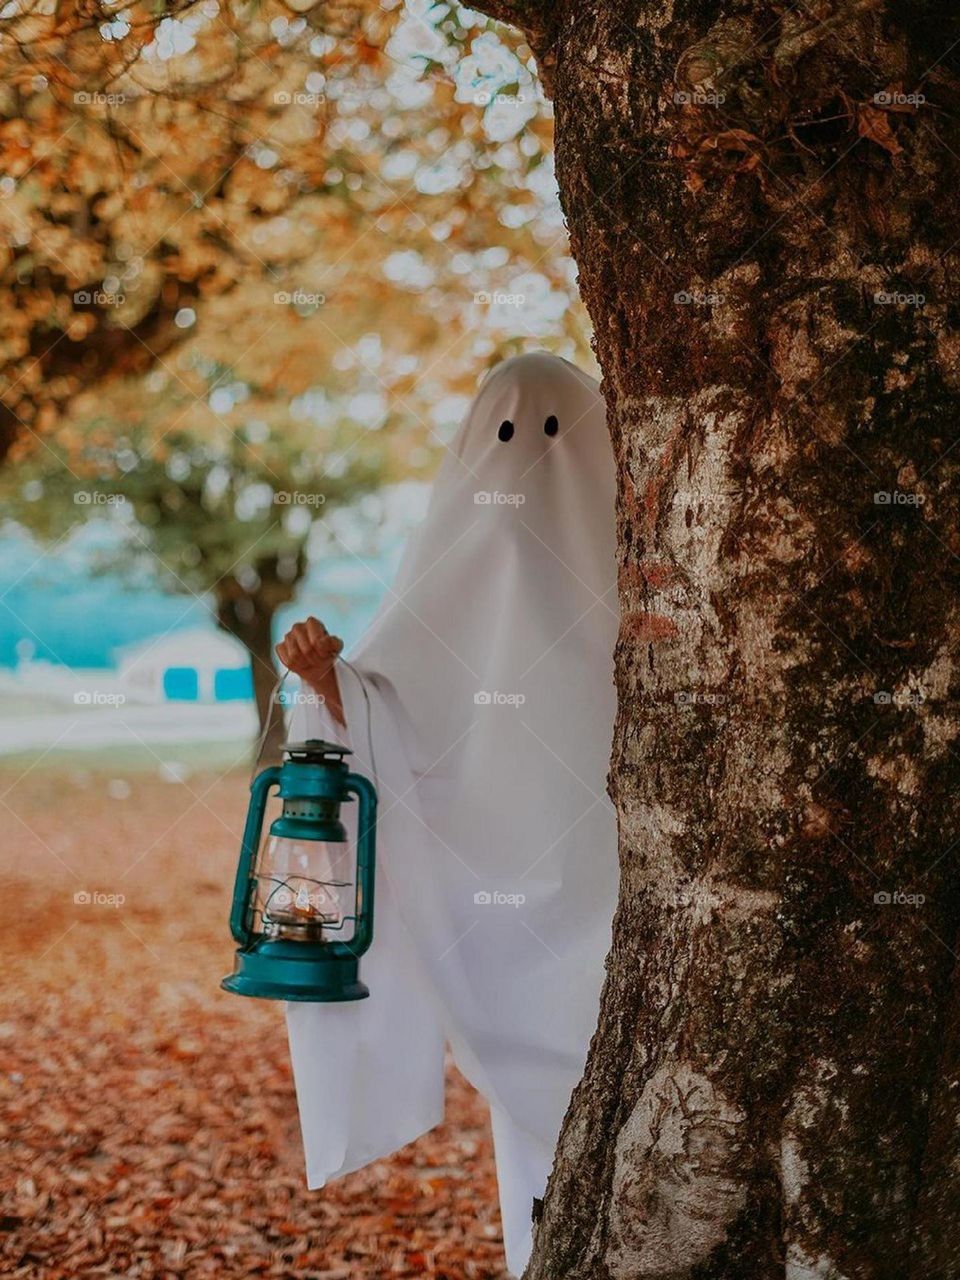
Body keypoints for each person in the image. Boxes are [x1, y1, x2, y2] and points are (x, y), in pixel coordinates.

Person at [277, 351, 619, 1276]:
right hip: (494, 915)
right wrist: (325, 681)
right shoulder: (451, 567)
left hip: (629, 903)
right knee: (540, 1154)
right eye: (506, 436)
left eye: (555, 434)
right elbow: (390, 711)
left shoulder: (648, 565)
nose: (529, 462)